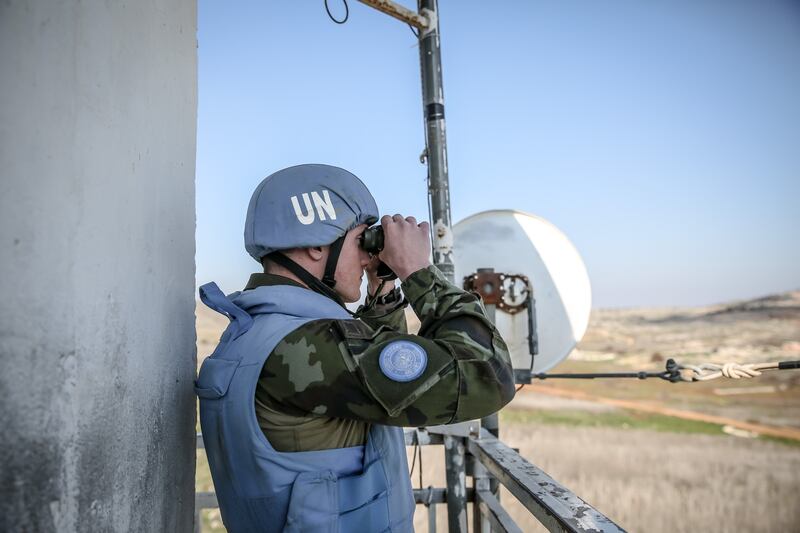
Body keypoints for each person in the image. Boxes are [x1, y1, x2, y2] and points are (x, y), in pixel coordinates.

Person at [196, 164, 515, 533]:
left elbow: (370, 381)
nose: (368, 258)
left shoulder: (260, 332)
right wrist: (418, 272)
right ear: (317, 245)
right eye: (362, 240)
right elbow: (488, 375)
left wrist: (382, 291)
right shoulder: (304, 346)